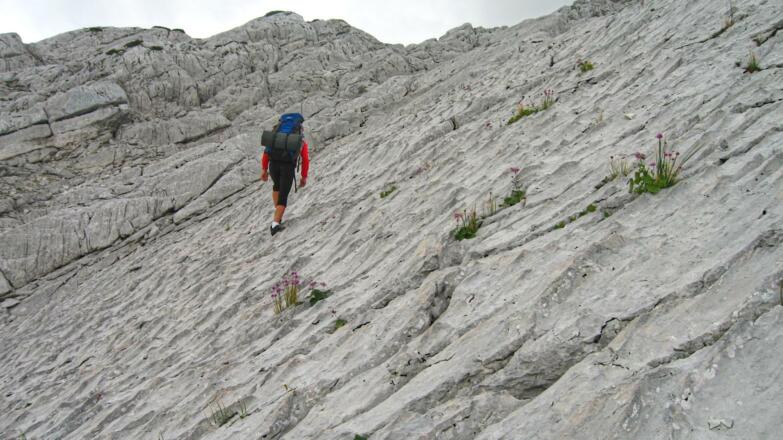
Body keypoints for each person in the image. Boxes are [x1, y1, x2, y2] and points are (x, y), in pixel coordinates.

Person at [260, 121, 310, 236]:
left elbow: (266, 152)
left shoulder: (277, 137)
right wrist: (304, 177)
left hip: (273, 165)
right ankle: (275, 225)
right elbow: (305, 159)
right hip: (287, 167)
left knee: (276, 186)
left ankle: (278, 214)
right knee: (283, 196)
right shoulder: (300, 140)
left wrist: (264, 169)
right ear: (299, 129)